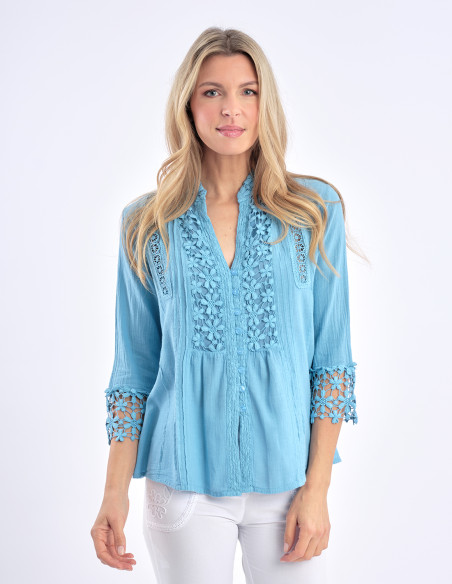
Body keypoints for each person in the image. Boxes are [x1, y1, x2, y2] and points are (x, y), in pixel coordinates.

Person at [91, 26, 361, 584]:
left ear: (266, 104)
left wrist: (317, 489)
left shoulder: (314, 213)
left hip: (289, 486)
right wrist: (114, 492)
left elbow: (332, 363)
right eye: (212, 92)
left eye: (248, 91)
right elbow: (134, 370)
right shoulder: (146, 224)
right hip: (182, 483)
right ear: (188, 105)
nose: (230, 109)